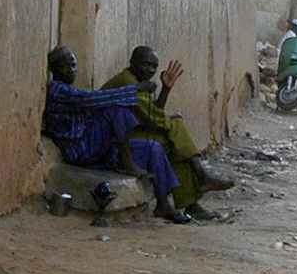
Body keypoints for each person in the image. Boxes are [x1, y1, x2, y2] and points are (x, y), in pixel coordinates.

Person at [43, 46, 192, 224]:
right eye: (65, 66)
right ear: (53, 69)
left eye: (73, 66)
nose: (71, 71)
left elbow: (154, 113)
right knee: (116, 109)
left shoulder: (70, 90)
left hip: (102, 147)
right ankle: (126, 163)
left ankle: (163, 204)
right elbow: (90, 99)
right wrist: (134, 89)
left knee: (153, 148)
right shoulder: (57, 90)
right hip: (81, 150)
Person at [102, 46, 236, 220]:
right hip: (113, 140)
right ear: (133, 62)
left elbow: (152, 112)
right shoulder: (128, 82)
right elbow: (154, 119)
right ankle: (199, 181)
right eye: (146, 65)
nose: (150, 70)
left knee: (175, 140)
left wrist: (166, 88)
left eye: (154, 67)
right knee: (175, 128)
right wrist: (170, 118)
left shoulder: (137, 80)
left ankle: (193, 198)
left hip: (128, 134)